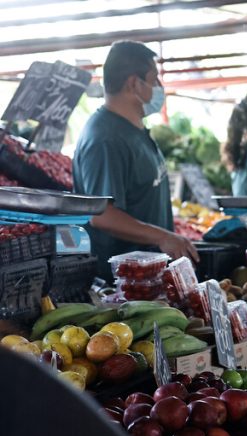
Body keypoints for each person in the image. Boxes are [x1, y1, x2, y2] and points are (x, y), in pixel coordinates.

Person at [73, 41, 198, 280]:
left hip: (149, 274)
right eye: (154, 80)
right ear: (133, 83)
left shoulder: (134, 129)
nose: (158, 87)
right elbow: (102, 215)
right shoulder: (105, 139)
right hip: (123, 282)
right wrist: (163, 236)